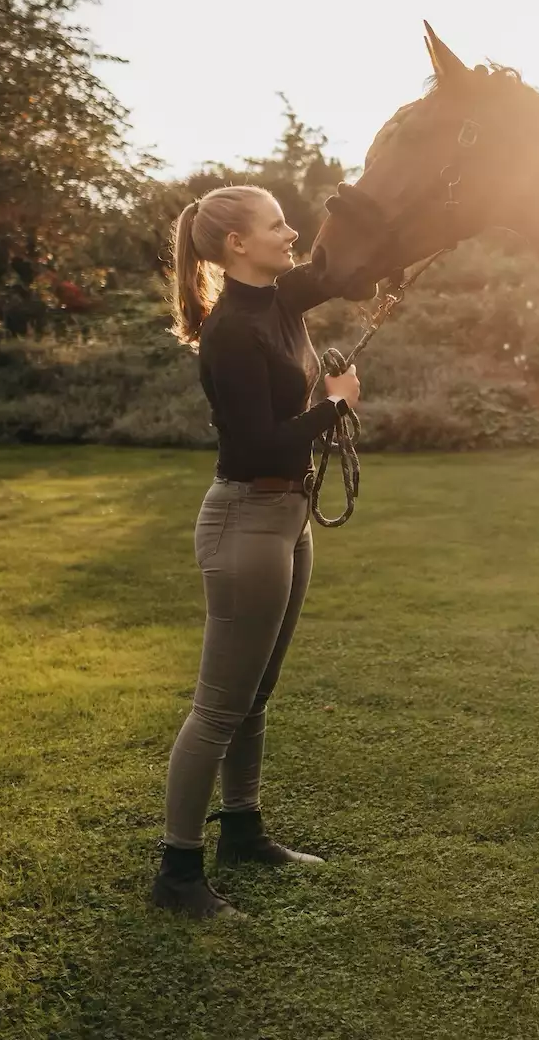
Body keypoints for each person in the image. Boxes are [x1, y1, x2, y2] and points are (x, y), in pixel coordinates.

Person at [150, 183, 360, 919]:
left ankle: (242, 830)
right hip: (244, 519)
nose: (291, 231)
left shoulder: (282, 299)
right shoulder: (230, 331)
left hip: (288, 517)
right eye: (276, 224)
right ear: (236, 244)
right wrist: (333, 406)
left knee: (257, 695)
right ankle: (177, 873)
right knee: (218, 708)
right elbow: (253, 442)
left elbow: (341, 268)